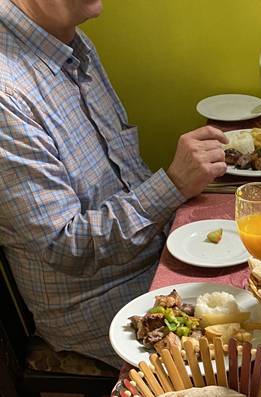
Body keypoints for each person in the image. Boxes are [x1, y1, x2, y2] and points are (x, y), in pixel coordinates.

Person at [0, 0, 228, 367]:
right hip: (99, 303)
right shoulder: (6, 95)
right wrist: (173, 184)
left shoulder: (74, 45)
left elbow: (126, 171)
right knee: (256, 352)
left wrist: (183, 184)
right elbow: (65, 246)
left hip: (154, 255)